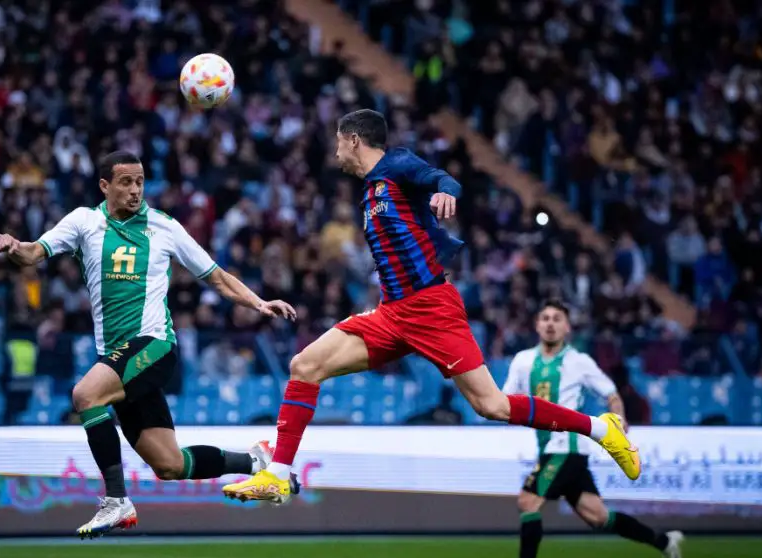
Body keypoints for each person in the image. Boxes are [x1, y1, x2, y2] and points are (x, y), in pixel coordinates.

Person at [223, 110, 641, 504]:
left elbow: (443, 178)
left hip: (431, 308)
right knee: (304, 365)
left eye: (337, 143)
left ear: (353, 140)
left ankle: (600, 428)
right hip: (391, 313)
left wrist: (444, 191)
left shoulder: (397, 166)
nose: (334, 152)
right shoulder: (369, 191)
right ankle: (278, 474)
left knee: (491, 405)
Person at [0, 151, 297, 538]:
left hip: (154, 346)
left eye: (139, 181)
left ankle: (116, 501)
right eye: (125, 182)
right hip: (118, 358)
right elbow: (34, 252)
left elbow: (215, 276)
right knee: (170, 466)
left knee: (86, 395)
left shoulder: (164, 227)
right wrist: (15, 246)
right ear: (105, 186)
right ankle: (254, 460)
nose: (135, 190)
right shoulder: (84, 222)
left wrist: (258, 302)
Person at [486, 301, 683, 558]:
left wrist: (619, 419)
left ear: (567, 326)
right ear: (537, 325)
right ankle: (665, 542)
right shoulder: (523, 361)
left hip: (568, 445)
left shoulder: (579, 361)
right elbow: (505, 399)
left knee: (528, 501)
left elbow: (611, 393)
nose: (551, 323)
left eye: (557, 318)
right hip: (548, 447)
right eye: (545, 318)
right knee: (597, 516)